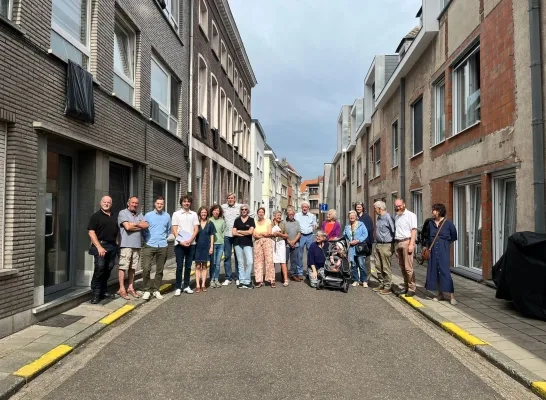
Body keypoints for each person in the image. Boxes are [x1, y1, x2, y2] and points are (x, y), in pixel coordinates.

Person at [87, 196, 119, 304]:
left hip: (112, 246)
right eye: (104, 202)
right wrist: (99, 247)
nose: (106, 204)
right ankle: (95, 294)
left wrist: (117, 241)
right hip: (100, 246)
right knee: (100, 268)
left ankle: (103, 290)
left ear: (111, 203)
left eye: (108, 202)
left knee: (108, 268)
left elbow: (116, 230)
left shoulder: (115, 215)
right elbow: (91, 232)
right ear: (101, 203)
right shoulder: (95, 216)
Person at [425, 203, 458, 305]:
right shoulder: (431, 223)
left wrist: (445, 244)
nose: (432, 212)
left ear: (439, 211)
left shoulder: (448, 224)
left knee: (445, 272)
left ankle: (452, 296)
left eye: (434, 210)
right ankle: (440, 294)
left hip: (443, 250)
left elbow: (453, 236)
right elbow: (427, 237)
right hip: (433, 250)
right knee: (435, 271)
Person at [117, 196, 149, 299]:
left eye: (136, 203)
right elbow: (127, 227)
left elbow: (146, 225)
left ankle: (130, 287)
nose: (134, 205)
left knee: (133, 267)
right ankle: (121, 289)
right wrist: (139, 225)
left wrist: (134, 225)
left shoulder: (139, 214)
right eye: (133, 203)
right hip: (126, 244)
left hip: (136, 245)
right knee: (123, 267)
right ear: (128, 203)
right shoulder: (123, 213)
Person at [141, 196, 171, 301]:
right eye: (158, 203)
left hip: (162, 245)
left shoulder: (167, 216)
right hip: (149, 244)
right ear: (155, 203)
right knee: (146, 268)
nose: (159, 205)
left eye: (161, 204)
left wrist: (163, 238)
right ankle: (146, 290)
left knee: (160, 270)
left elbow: (168, 230)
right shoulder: (148, 215)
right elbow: (143, 229)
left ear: (164, 204)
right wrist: (147, 239)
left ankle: (156, 290)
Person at [172, 195, 199, 296]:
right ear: (181, 203)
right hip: (179, 244)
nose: (186, 203)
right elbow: (174, 229)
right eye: (184, 201)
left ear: (190, 203)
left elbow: (196, 229)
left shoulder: (194, 214)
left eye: (188, 201)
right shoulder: (176, 214)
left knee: (188, 266)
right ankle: (178, 287)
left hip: (191, 244)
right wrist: (180, 241)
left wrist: (191, 239)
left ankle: (186, 286)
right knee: (179, 266)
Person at [393, 198, 418, 297]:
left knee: (408, 268)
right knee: (402, 267)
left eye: (399, 206)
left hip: (407, 242)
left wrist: (411, 244)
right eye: (396, 206)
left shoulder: (411, 215)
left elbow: (414, 230)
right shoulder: (397, 216)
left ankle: (412, 288)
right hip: (398, 242)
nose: (398, 207)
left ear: (404, 204)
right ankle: (406, 286)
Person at [372, 201, 396, 295]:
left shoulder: (388, 218)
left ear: (380, 208)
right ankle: (381, 283)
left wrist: (393, 245)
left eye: (375, 208)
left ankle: (388, 286)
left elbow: (394, 231)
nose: (374, 210)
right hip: (378, 244)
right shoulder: (378, 218)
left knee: (386, 266)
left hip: (386, 245)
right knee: (378, 266)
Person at [343, 210, 368, 286]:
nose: (351, 217)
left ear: (356, 217)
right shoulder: (347, 226)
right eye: (350, 216)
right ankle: (355, 280)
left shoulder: (361, 224)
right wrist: (348, 241)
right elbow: (344, 235)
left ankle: (364, 281)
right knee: (353, 264)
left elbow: (365, 234)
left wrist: (358, 240)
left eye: (353, 216)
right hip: (351, 248)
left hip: (359, 247)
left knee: (361, 264)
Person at [232, 205, 255, 289]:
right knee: (240, 263)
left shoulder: (251, 220)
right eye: (242, 209)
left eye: (245, 209)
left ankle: (247, 279)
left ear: (248, 210)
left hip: (247, 243)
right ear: (240, 211)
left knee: (250, 262)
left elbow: (250, 232)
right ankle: (242, 281)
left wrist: (239, 231)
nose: (244, 210)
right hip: (237, 243)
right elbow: (233, 233)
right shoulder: (237, 220)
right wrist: (245, 232)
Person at [194, 207, 216, 293]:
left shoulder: (210, 223)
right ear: (199, 213)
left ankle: (203, 284)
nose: (204, 214)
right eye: (202, 212)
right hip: (197, 246)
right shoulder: (196, 223)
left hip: (206, 246)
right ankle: (197, 285)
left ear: (207, 214)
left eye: (205, 213)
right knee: (198, 266)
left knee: (204, 266)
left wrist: (211, 247)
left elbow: (212, 235)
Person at [222, 193, 241, 286]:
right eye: (228, 198)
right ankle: (228, 277)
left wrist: (243, 227)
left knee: (238, 257)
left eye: (232, 198)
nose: (230, 199)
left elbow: (251, 214)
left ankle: (237, 277)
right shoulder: (223, 207)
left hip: (237, 235)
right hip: (226, 235)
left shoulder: (240, 207)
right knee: (227, 257)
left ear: (235, 199)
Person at [253, 207, 275, 288]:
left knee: (269, 260)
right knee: (258, 262)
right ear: (257, 213)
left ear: (264, 213)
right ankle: (259, 280)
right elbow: (254, 234)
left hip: (267, 242)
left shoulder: (268, 221)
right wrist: (263, 234)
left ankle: (271, 280)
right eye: (259, 212)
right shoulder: (254, 222)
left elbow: (269, 233)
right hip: (257, 243)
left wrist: (260, 234)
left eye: (262, 212)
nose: (261, 213)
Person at [295, 202, 317, 279]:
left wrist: (312, 229)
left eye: (306, 207)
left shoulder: (312, 216)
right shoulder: (297, 215)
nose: (304, 208)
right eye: (303, 207)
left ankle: (309, 271)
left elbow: (314, 225)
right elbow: (295, 225)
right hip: (300, 236)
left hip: (309, 236)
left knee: (310, 254)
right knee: (299, 255)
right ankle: (300, 272)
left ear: (308, 208)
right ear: (301, 208)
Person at [209, 204, 226, 288]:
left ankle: (216, 279)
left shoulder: (222, 221)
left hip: (220, 244)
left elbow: (223, 231)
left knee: (218, 263)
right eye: (215, 210)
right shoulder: (209, 220)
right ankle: (211, 280)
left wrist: (223, 241)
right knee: (213, 263)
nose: (216, 212)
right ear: (212, 211)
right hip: (212, 244)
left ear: (220, 212)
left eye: (218, 210)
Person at [271, 210, 289, 287]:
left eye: (280, 215)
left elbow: (286, 236)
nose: (279, 217)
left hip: (281, 243)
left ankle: (286, 279)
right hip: (272, 243)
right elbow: (269, 234)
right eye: (278, 215)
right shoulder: (270, 224)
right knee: (272, 262)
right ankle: (272, 279)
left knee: (283, 261)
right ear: (274, 216)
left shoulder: (283, 224)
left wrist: (279, 234)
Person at [285, 207, 302, 281]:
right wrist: (289, 241)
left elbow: (299, 233)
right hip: (286, 244)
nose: (291, 215)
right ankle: (284, 275)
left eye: (292, 214)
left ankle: (293, 274)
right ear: (287, 214)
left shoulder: (297, 222)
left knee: (294, 260)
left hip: (295, 244)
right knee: (285, 260)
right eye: (289, 214)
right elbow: (283, 233)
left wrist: (294, 241)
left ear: (294, 214)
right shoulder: (284, 222)